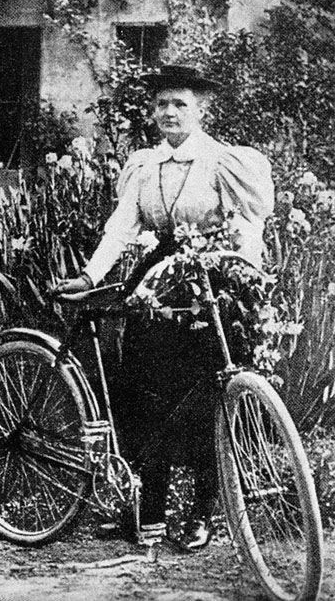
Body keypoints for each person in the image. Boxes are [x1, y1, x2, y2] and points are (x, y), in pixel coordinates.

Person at [55, 64, 274, 550]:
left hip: (210, 286)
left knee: (203, 400)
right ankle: (146, 509)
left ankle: (202, 513)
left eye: (181, 104)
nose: (170, 113)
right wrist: (91, 276)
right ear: (152, 112)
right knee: (142, 394)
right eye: (162, 104)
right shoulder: (144, 165)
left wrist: (245, 275)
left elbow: (250, 227)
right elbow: (121, 227)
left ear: (201, 109)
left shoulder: (224, 162)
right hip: (156, 285)